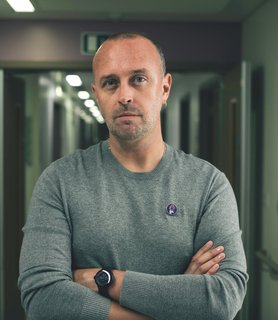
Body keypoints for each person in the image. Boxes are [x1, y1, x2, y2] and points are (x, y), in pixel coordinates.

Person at [18, 32, 248, 320]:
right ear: (96, 94)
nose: (124, 96)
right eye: (110, 82)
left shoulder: (208, 185)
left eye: (138, 79)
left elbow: (223, 297)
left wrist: (105, 280)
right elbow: (42, 297)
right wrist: (179, 299)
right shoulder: (60, 181)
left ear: (165, 88)